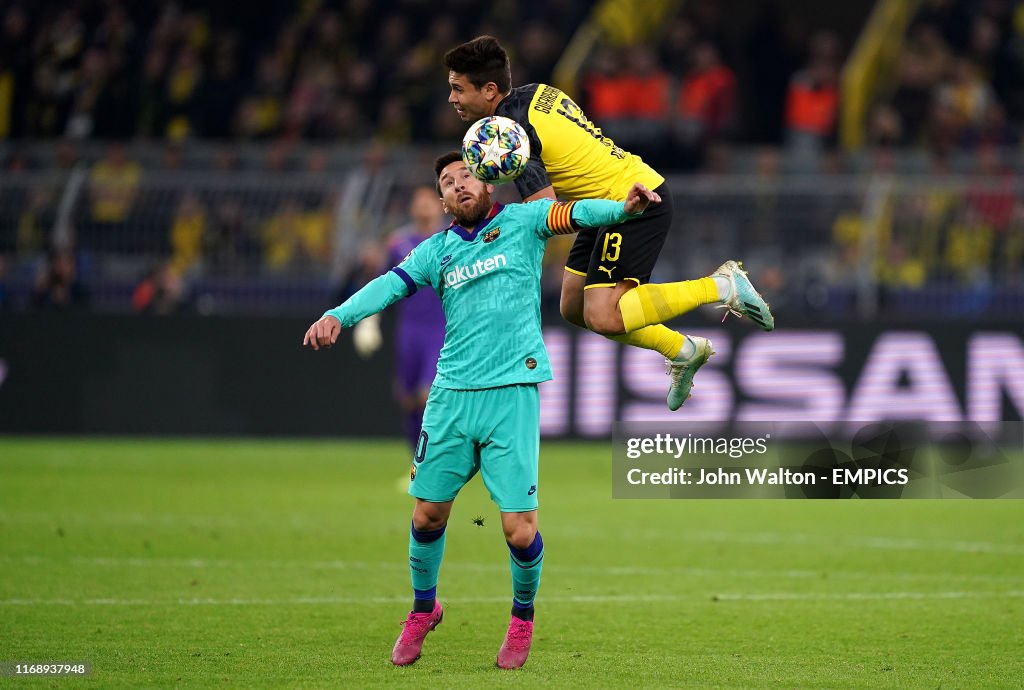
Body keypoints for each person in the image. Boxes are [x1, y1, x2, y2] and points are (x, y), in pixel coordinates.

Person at [303, 151, 662, 669]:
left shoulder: (522, 222)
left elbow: (574, 213)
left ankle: (521, 619)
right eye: (447, 182)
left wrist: (622, 211)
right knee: (427, 514)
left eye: (466, 175)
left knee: (519, 528)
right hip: (450, 397)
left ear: (489, 181)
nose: (457, 185)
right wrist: (339, 314)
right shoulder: (436, 251)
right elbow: (388, 286)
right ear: (443, 199)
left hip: (511, 393)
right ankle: (423, 609)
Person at [444, 36, 774, 409]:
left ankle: (720, 286)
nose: (452, 99)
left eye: (458, 89)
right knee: (572, 306)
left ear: (489, 90)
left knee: (604, 315)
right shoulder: (535, 92)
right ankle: (682, 350)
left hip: (633, 201)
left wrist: (494, 233)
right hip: (603, 204)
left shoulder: (513, 136)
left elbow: (545, 216)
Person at [351, 187, 447, 449]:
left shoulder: (450, 239)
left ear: (440, 206)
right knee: (407, 398)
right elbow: (385, 285)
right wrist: (370, 320)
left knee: (429, 396)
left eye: (429, 202)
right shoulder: (398, 244)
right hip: (409, 329)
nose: (424, 207)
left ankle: (432, 462)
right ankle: (416, 460)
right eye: (419, 202)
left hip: (441, 329)